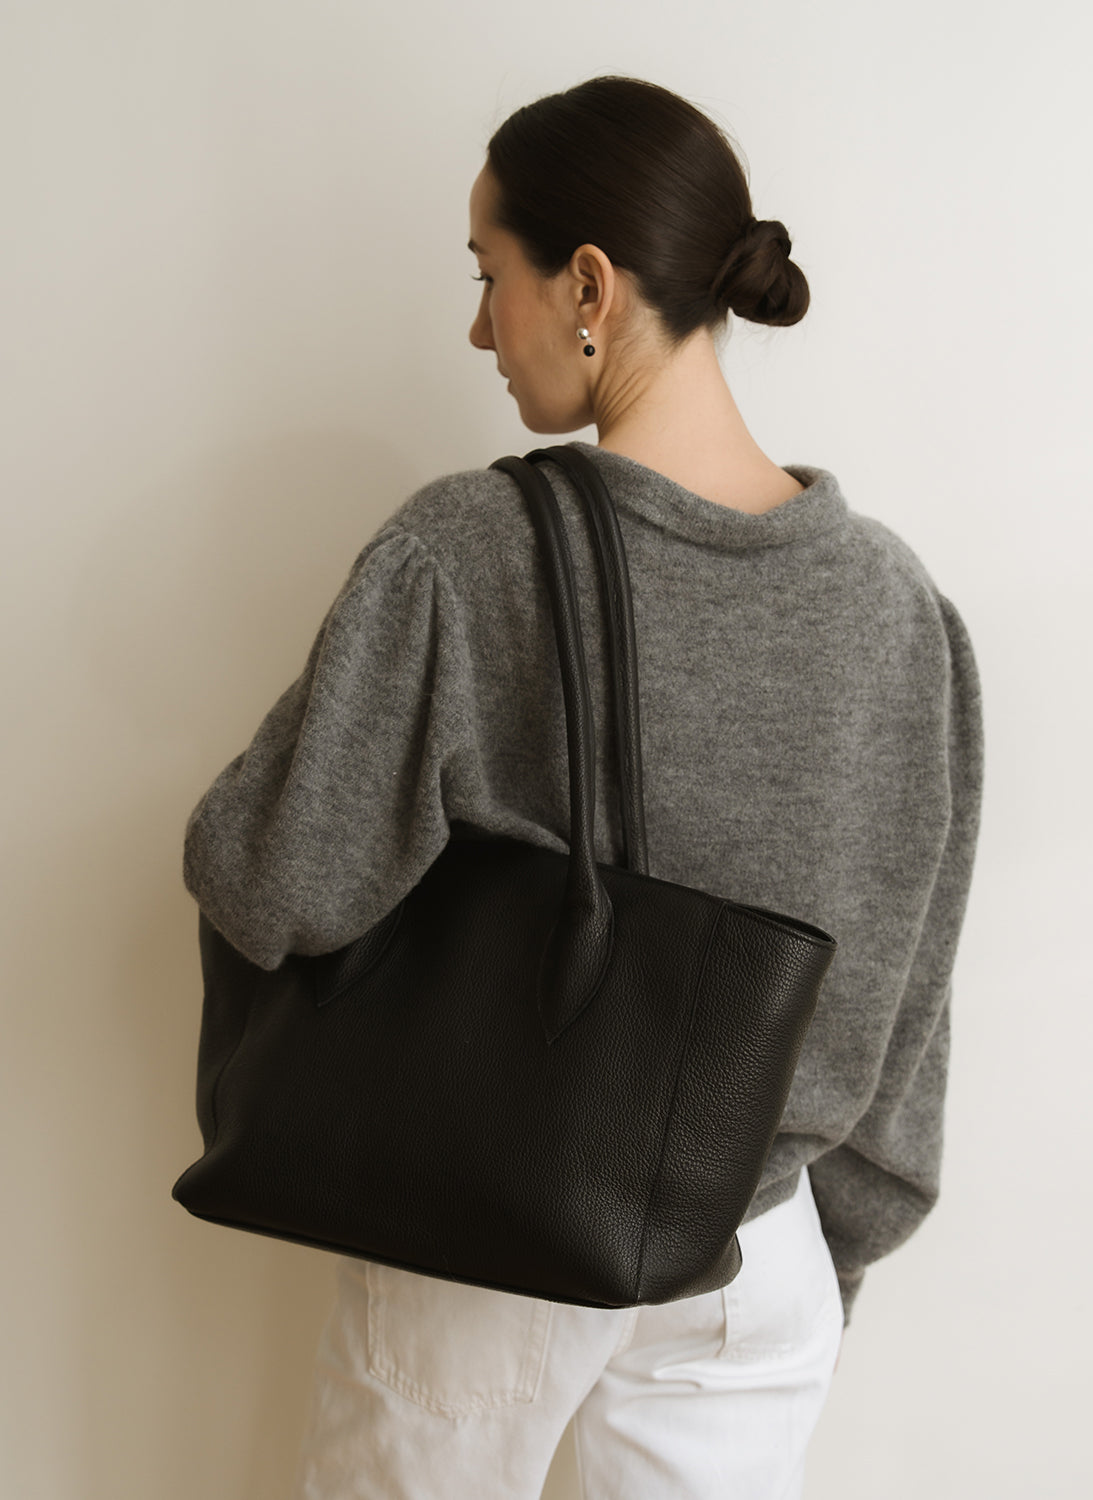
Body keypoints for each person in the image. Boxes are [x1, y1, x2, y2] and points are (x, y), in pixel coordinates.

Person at [182, 74, 984, 1500]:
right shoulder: (905, 612)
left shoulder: (470, 552)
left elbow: (273, 883)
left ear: (590, 286)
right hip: (765, 1252)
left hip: (498, 1229)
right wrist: (828, 1249)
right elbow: (907, 999)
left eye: (490, 276)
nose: (480, 328)